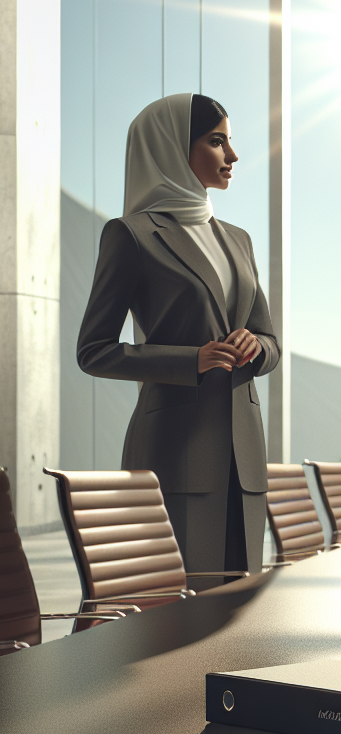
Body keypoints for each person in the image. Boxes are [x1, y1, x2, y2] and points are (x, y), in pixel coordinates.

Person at [77, 93, 279, 579]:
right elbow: (94, 351)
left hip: (245, 458)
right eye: (216, 141)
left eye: (229, 142)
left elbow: (269, 341)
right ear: (171, 146)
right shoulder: (131, 235)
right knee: (183, 609)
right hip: (175, 452)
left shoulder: (239, 239)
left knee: (244, 605)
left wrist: (257, 347)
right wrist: (191, 361)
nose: (232, 156)